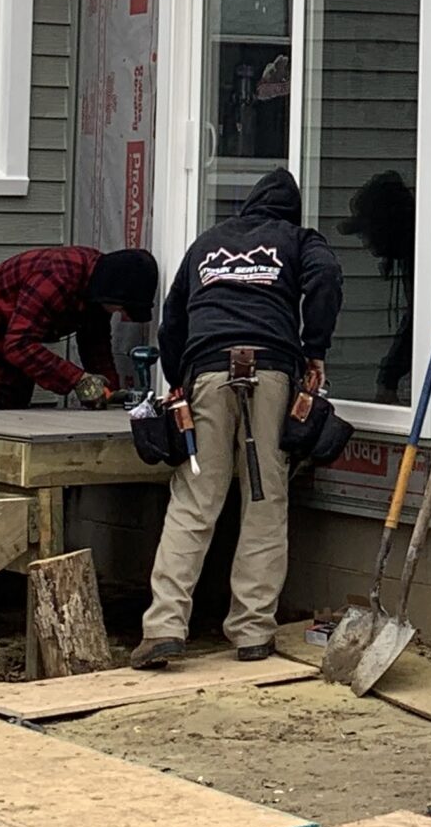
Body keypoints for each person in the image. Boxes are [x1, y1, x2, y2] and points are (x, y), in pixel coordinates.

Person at [132, 168, 341, 666]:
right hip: (270, 373)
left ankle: (163, 628)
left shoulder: (207, 243)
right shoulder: (298, 239)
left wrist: (178, 377)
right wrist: (314, 347)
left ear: (249, 206)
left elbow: (172, 319)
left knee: (194, 501)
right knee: (264, 500)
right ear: (291, 212)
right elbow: (327, 278)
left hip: (206, 372)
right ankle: (252, 631)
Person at [0, 246, 159, 412]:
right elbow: (18, 345)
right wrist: (78, 380)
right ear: (110, 293)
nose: (120, 314)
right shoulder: (57, 276)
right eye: (120, 308)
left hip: (10, 376)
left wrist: (111, 393)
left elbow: (95, 346)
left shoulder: (97, 287)